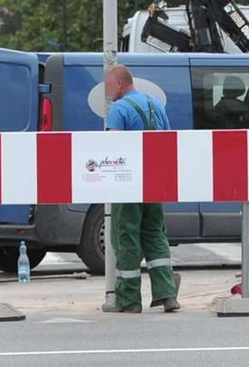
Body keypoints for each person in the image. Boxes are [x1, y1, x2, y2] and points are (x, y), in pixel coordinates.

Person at [102, 65, 180, 313]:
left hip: (128, 181)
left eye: (107, 85)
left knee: (127, 236)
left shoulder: (119, 109)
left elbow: (113, 147)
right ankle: (167, 295)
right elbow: (168, 139)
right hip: (155, 180)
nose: (105, 90)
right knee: (155, 234)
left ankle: (128, 300)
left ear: (119, 84)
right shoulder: (156, 103)